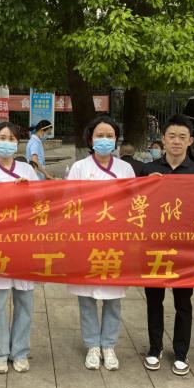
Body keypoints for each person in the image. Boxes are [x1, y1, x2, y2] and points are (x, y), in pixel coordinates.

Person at [66, 116, 135, 371]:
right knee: (87, 298)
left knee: (113, 298)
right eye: (99, 135)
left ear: (116, 140)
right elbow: (70, 204)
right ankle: (92, 345)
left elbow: (134, 204)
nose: (104, 140)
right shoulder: (79, 168)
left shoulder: (125, 169)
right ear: (90, 139)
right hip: (87, 240)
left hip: (115, 241)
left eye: (109, 136)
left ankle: (109, 345)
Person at [140, 114, 194, 376]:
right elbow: (135, 205)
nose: (176, 141)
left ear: (190, 141)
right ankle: (154, 348)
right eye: (171, 136)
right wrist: (148, 187)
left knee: (183, 302)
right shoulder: (147, 170)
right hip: (154, 245)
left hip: (185, 248)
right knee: (154, 300)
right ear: (163, 139)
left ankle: (181, 352)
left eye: (182, 137)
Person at [0, 122, 39, 374]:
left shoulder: (27, 170)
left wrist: (28, 192)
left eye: (11, 138)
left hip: (23, 244)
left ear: (17, 143)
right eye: (2, 138)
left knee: (24, 302)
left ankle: (20, 351)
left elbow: (41, 206)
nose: (7, 142)